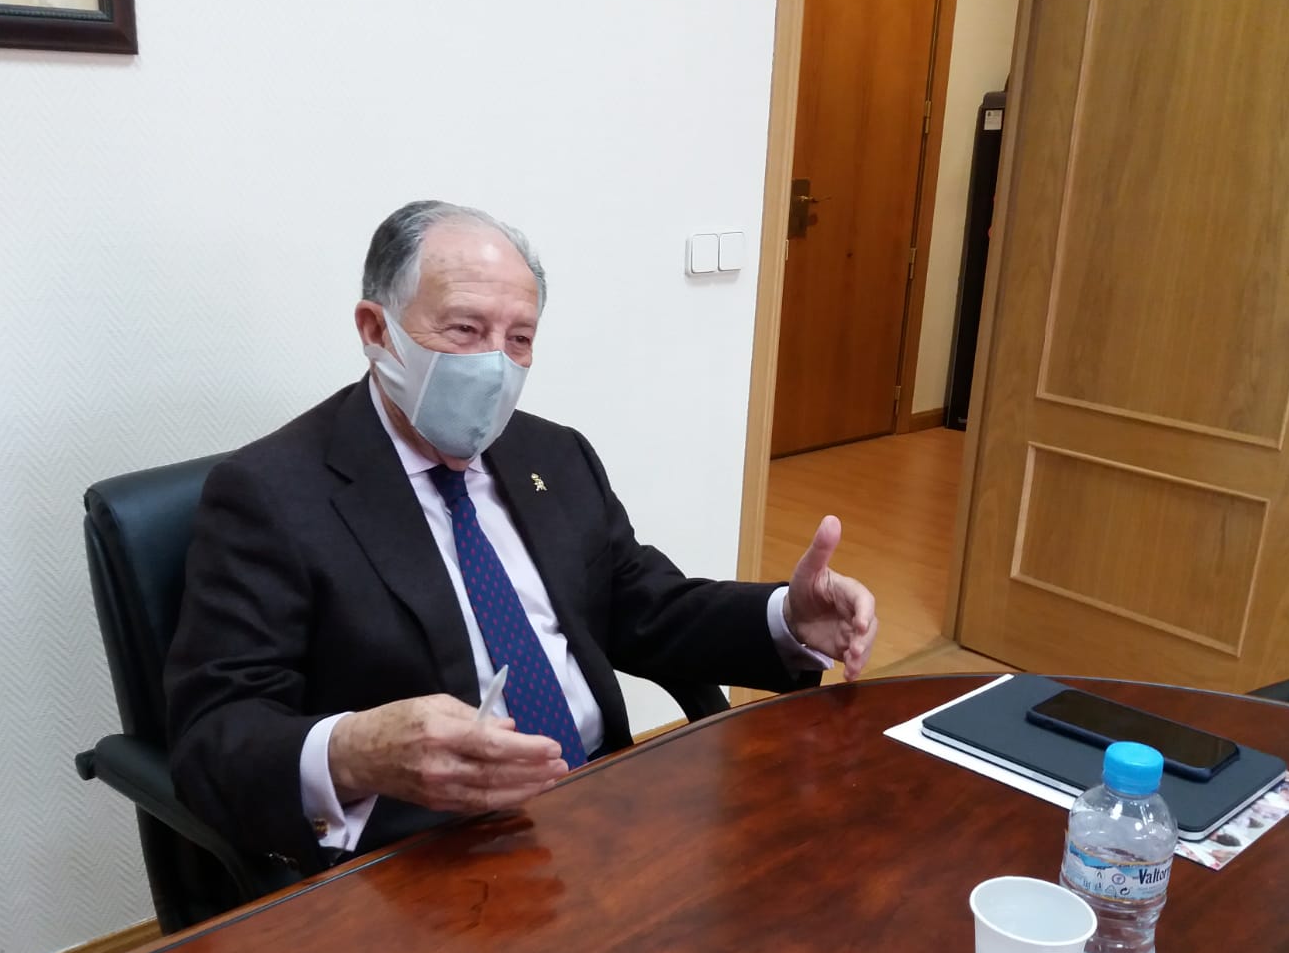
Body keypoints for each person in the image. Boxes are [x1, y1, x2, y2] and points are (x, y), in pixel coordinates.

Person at [164, 200, 878, 877]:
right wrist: (356, 750)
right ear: (377, 330)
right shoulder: (270, 494)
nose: (494, 364)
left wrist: (787, 618)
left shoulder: (554, 455)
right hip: (423, 854)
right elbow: (213, 738)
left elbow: (643, 605)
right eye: (464, 330)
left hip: (603, 805)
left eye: (519, 339)